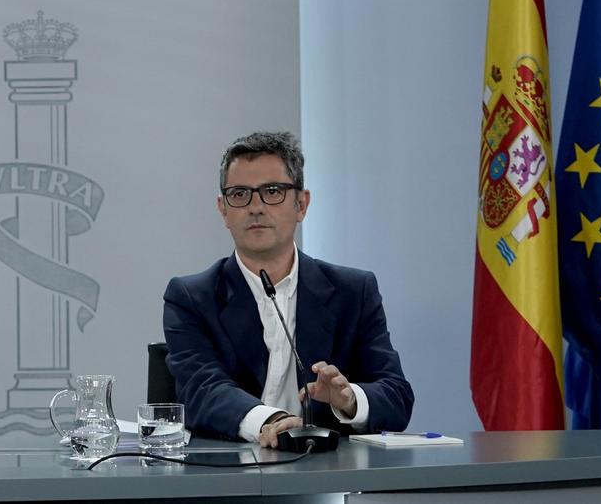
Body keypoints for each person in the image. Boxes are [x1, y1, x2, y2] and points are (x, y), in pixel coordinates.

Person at [162, 131, 413, 447]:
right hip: (225, 476)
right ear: (223, 209)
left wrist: (349, 399)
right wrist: (272, 421)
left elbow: (396, 397)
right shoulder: (191, 296)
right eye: (240, 194)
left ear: (301, 204)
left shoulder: (353, 291)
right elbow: (201, 391)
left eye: (272, 191)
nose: (256, 207)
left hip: (325, 478)